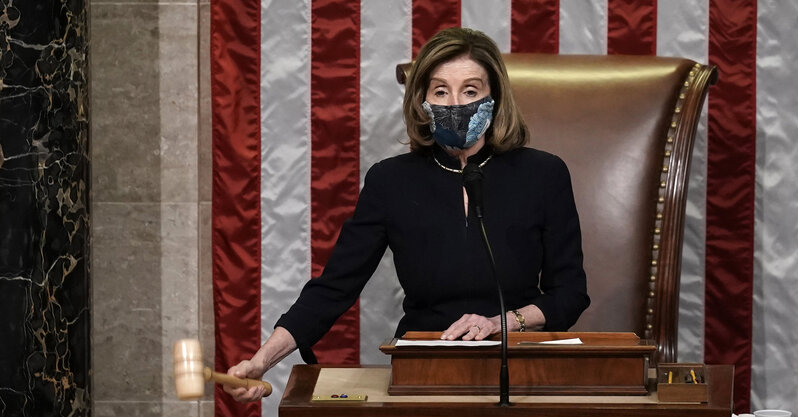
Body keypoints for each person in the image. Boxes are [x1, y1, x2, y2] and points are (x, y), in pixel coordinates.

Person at [224, 27, 590, 402]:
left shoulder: (543, 174)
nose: (455, 103)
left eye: (470, 90)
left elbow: (571, 294)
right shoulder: (391, 180)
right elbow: (334, 288)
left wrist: (500, 323)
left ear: (493, 98)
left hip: (520, 366)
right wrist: (262, 360)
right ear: (422, 101)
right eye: (440, 91)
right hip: (423, 368)